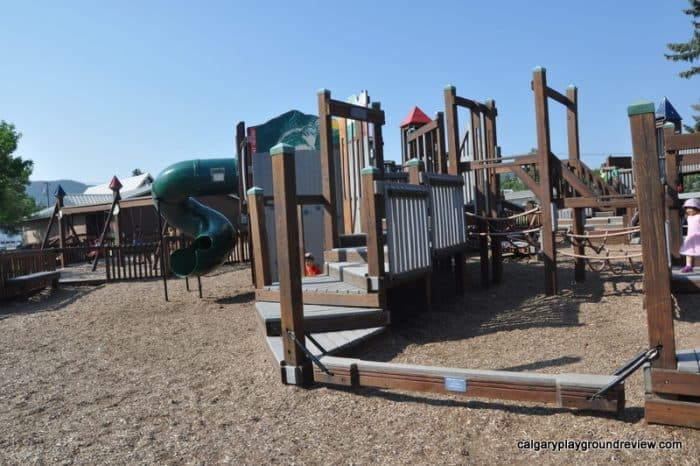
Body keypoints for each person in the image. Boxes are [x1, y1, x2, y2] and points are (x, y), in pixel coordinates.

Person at [680, 198, 700, 273]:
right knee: (688, 252)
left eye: (690, 208)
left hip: (698, 237)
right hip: (690, 237)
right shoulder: (688, 217)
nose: (688, 210)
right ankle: (688, 266)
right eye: (687, 208)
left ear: (696, 208)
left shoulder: (699, 216)